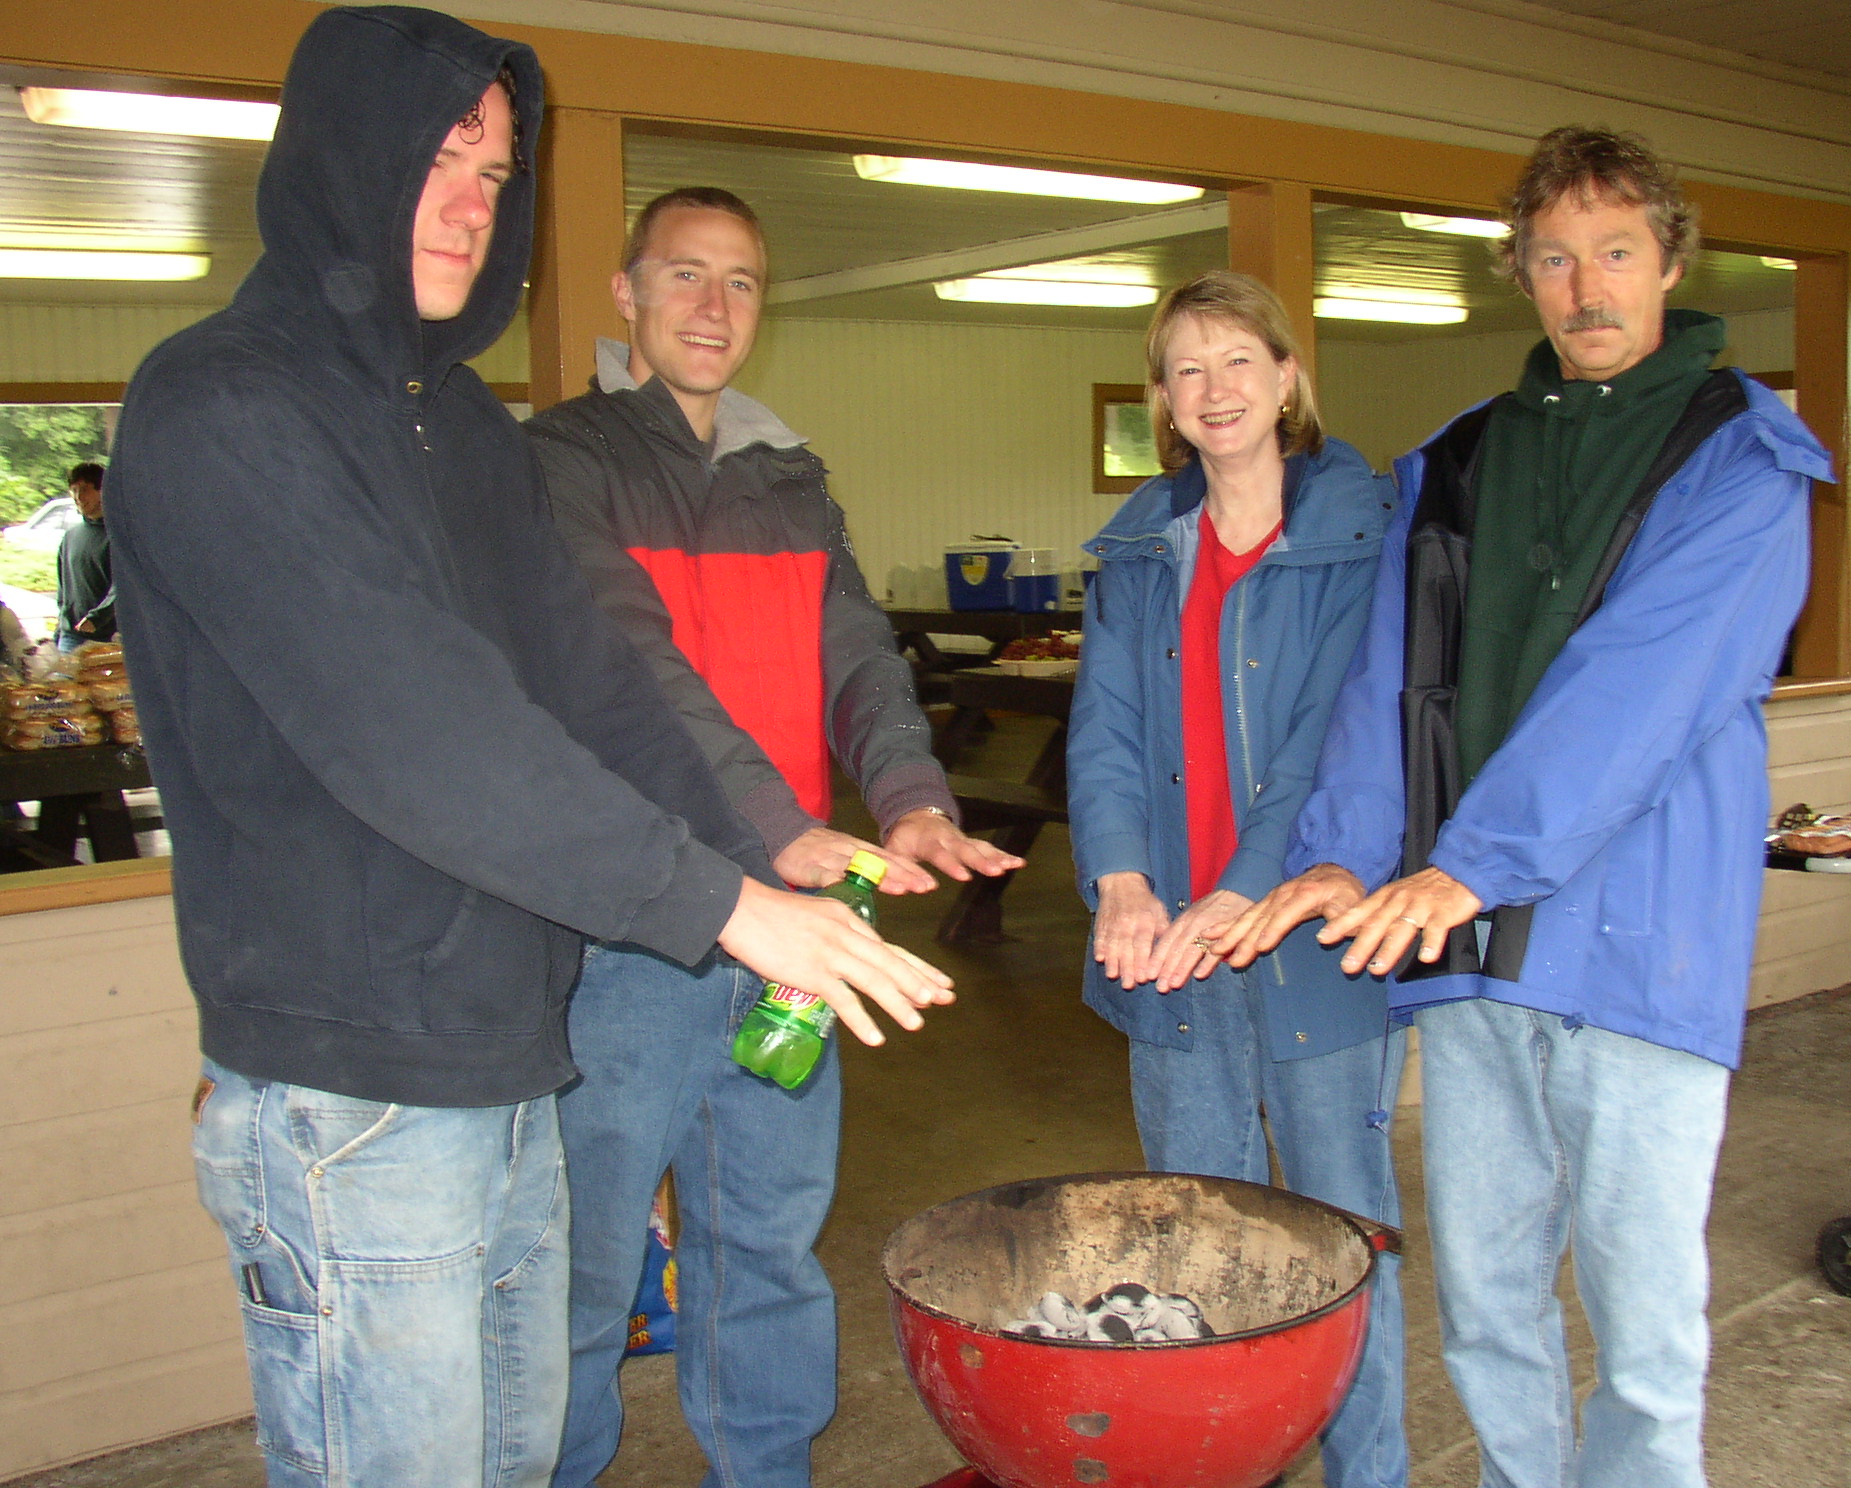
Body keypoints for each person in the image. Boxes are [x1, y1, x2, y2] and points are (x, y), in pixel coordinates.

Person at [104, 10, 948, 1487]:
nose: (467, 203)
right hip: (356, 1093)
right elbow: (424, 729)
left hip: (514, 1057)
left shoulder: (465, 436)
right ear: (334, 162)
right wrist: (730, 910)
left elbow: (597, 684)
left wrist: (766, 858)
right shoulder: (227, 402)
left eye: (495, 173)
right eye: (433, 158)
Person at [1219, 127, 1831, 1488]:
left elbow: (1647, 689)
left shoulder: (1741, 458)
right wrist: (1341, 855)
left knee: (1643, 1314)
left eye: (1618, 251)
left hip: (1639, 943)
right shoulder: (1456, 460)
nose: (1587, 286)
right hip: (1475, 952)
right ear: (1523, 277)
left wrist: (1471, 860)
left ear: (1671, 261)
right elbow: (1393, 682)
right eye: (1555, 258)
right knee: (1489, 1296)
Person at [526, 186, 1020, 1488]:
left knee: (766, 1247)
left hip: (799, 934)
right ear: (627, 293)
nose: (711, 306)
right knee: (582, 1259)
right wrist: (779, 828)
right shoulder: (558, 460)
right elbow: (635, 671)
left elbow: (856, 653)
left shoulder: (789, 476)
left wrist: (914, 795)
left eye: (740, 282)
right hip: (630, 926)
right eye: (683, 276)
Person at [1065, 270, 1407, 1488]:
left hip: (1313, 938)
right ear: (1161, 399)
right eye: (1186, 368)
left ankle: (1369, 1474)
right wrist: (1120, 883)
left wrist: (1247, 890)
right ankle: (1223, 1466)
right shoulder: (1140, 550)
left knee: (1339, 1237)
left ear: (1285, 378)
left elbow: (1328, 736)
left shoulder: (1360, 537)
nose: (1213, 389)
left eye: (1236, 361)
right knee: (1199, 1245)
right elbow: (1101, 731)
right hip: (1172, 955)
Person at [55, 461, 113, 651]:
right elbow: (64, 590)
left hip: (109, 637)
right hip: (71, 636)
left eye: (84, 489)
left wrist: (97, 618)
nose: (78, 497)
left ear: (102, 490)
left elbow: (126, 585)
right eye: (73, 490)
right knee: (62, 680)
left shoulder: (120, 537)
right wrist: (58, 631)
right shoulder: (71, 537)